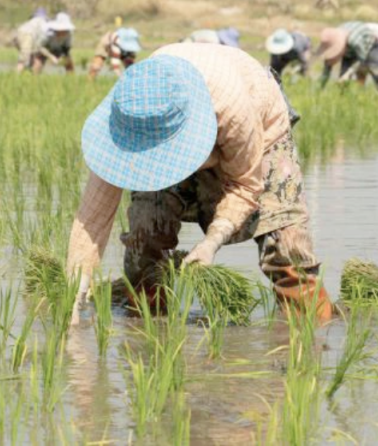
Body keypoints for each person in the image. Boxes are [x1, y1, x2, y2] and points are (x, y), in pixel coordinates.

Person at [65, 43, 332, 325]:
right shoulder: (129, 118)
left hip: (260, 128)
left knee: (286, 248)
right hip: (170, 124)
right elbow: (92, 216)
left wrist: (210, 243)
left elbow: (245, 185)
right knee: (144, 236)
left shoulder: (232, 106)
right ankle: (147, 332)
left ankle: (312, 331)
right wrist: (77, 285)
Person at [317, 22, 378, 91]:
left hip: (368, 44)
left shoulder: (354, 41)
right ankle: (344, 98)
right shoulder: (330, 41)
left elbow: (361, 59)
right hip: (349, 47)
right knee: (342, 78)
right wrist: (320, 87)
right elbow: (327, 67)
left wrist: (348, 74)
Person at [14, 8, 49, 73]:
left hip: (18, 34)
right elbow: (42, 36)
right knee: (23, 60)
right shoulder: (43, 22)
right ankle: (16, 76)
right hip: (27, 35)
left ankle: (30, 73)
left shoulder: (31, 21)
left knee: (28, 55)